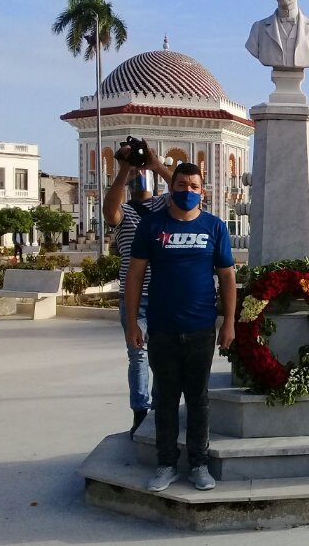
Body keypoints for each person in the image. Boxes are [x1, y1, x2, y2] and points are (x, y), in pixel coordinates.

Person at [125, 162, 236, 492]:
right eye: (181, 184)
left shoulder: (215, 227)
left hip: (201, 328)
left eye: (193, 186)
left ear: (203, 192)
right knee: (165, 397)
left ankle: (199, 463)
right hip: (161, 328)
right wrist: (133, 323)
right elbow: (135, 276)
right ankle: (166, 463)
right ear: (170, 188)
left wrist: (228, 322)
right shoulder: (151, 226)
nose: (187, 191)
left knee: (199, 399)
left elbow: (227, 276)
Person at [103, 143, 173, 437]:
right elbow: (109, 211)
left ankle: (159, 407)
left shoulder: (163, 206)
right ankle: (140, 409)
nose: (137, 179)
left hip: (163, 295)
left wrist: (157, 165)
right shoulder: (124, 212)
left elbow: (187, 193)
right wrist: (123, 170)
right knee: (138, 355)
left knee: (162, 356)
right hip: (135, 298)